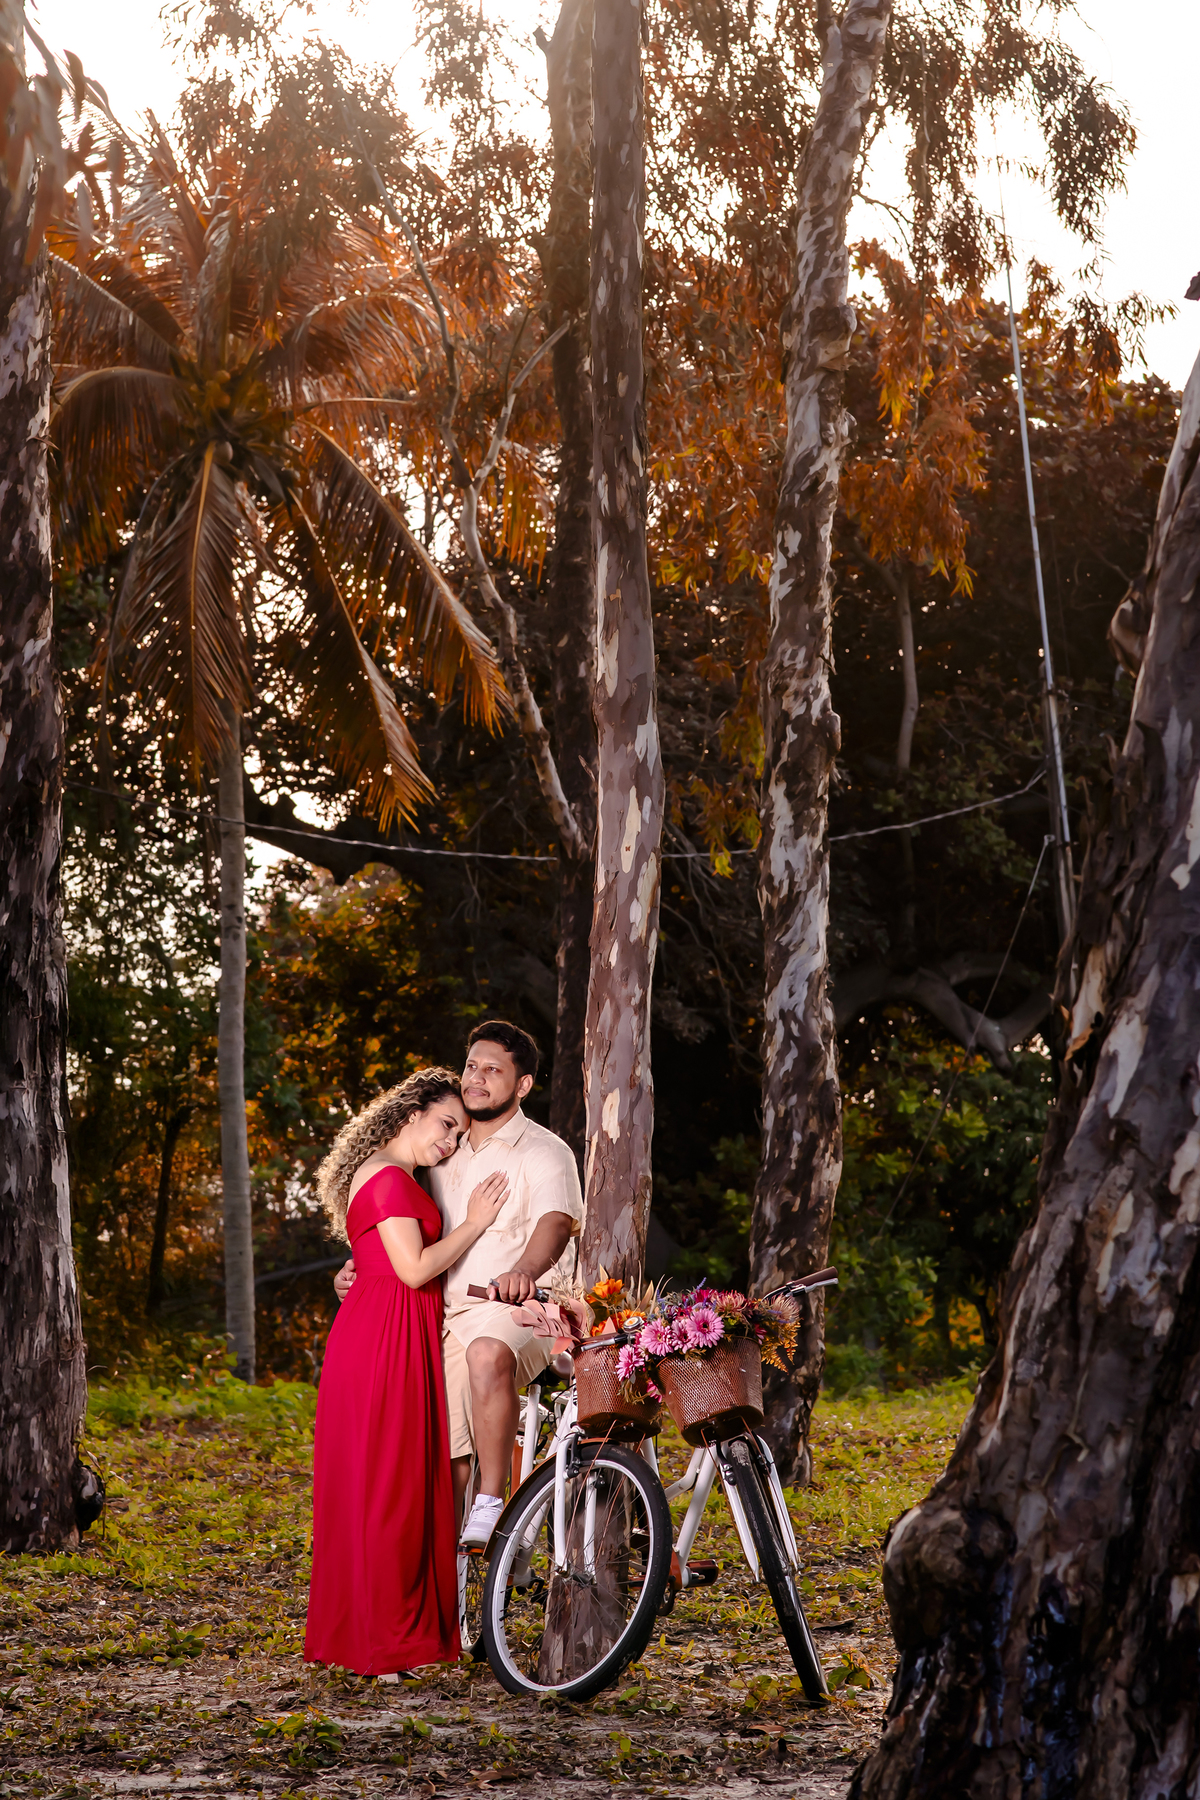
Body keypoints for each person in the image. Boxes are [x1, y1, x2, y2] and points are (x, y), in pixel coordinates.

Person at [334, 1020, 581, 1550]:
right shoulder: (444, 1150)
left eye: (494, 1070)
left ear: (522, 1085)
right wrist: (363, 1264)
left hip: (521, 1309)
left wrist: (525, 1271)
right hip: (440, 1318)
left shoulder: (545, 1150)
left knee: (488, 1353)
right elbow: (404, 1223)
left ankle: (494, 1502)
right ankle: (449, 1580)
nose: (477, 1078)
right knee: (443, 1461)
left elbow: (556, 1223)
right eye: (472, 1066)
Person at [305, 1068, 510, 1679]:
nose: (449, 1142)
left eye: (458, 1134)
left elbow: (377, 1258)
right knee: (386, 1489)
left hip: (394, 1332)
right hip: (382, 1342)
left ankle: (381, 1635)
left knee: (390, 1487)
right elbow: (415, 1269)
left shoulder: (392, 1175)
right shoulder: (390, 1177)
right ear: (411, 1112)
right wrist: (475, 1222)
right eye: (445, 1125)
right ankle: (380, 1642)